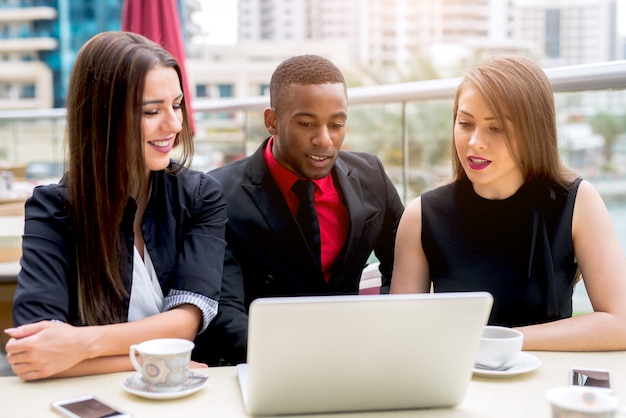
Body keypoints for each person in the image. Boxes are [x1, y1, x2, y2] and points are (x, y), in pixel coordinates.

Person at [4, 31, 227, 380]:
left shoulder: (200, 197)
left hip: (182, 396)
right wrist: (166, 359)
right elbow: (36, 352)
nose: (173, 124)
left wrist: (80, 346)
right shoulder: (53, 210)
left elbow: (184, 323)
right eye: (152, 110)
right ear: (103, 117)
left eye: (177, 105)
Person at [390, 55, 626, 350]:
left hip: (547, 383)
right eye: (465, 123)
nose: (475, 141)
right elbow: (401, 331)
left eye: (496, 128)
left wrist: (498, 340)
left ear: (533, 132)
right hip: (462, 385)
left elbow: (620, 323)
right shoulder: (422, 216)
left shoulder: (577, 202)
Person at [193, 54, 404, 365]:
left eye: (336, 124)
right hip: (264, 362)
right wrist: (303, 359)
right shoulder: (217, 193)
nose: (324, 140)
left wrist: (372, 328)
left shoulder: (371, 174)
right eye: (306, 124)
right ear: (272, 121)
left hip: (357, 356)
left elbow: (404, 266)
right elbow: (223, 309)